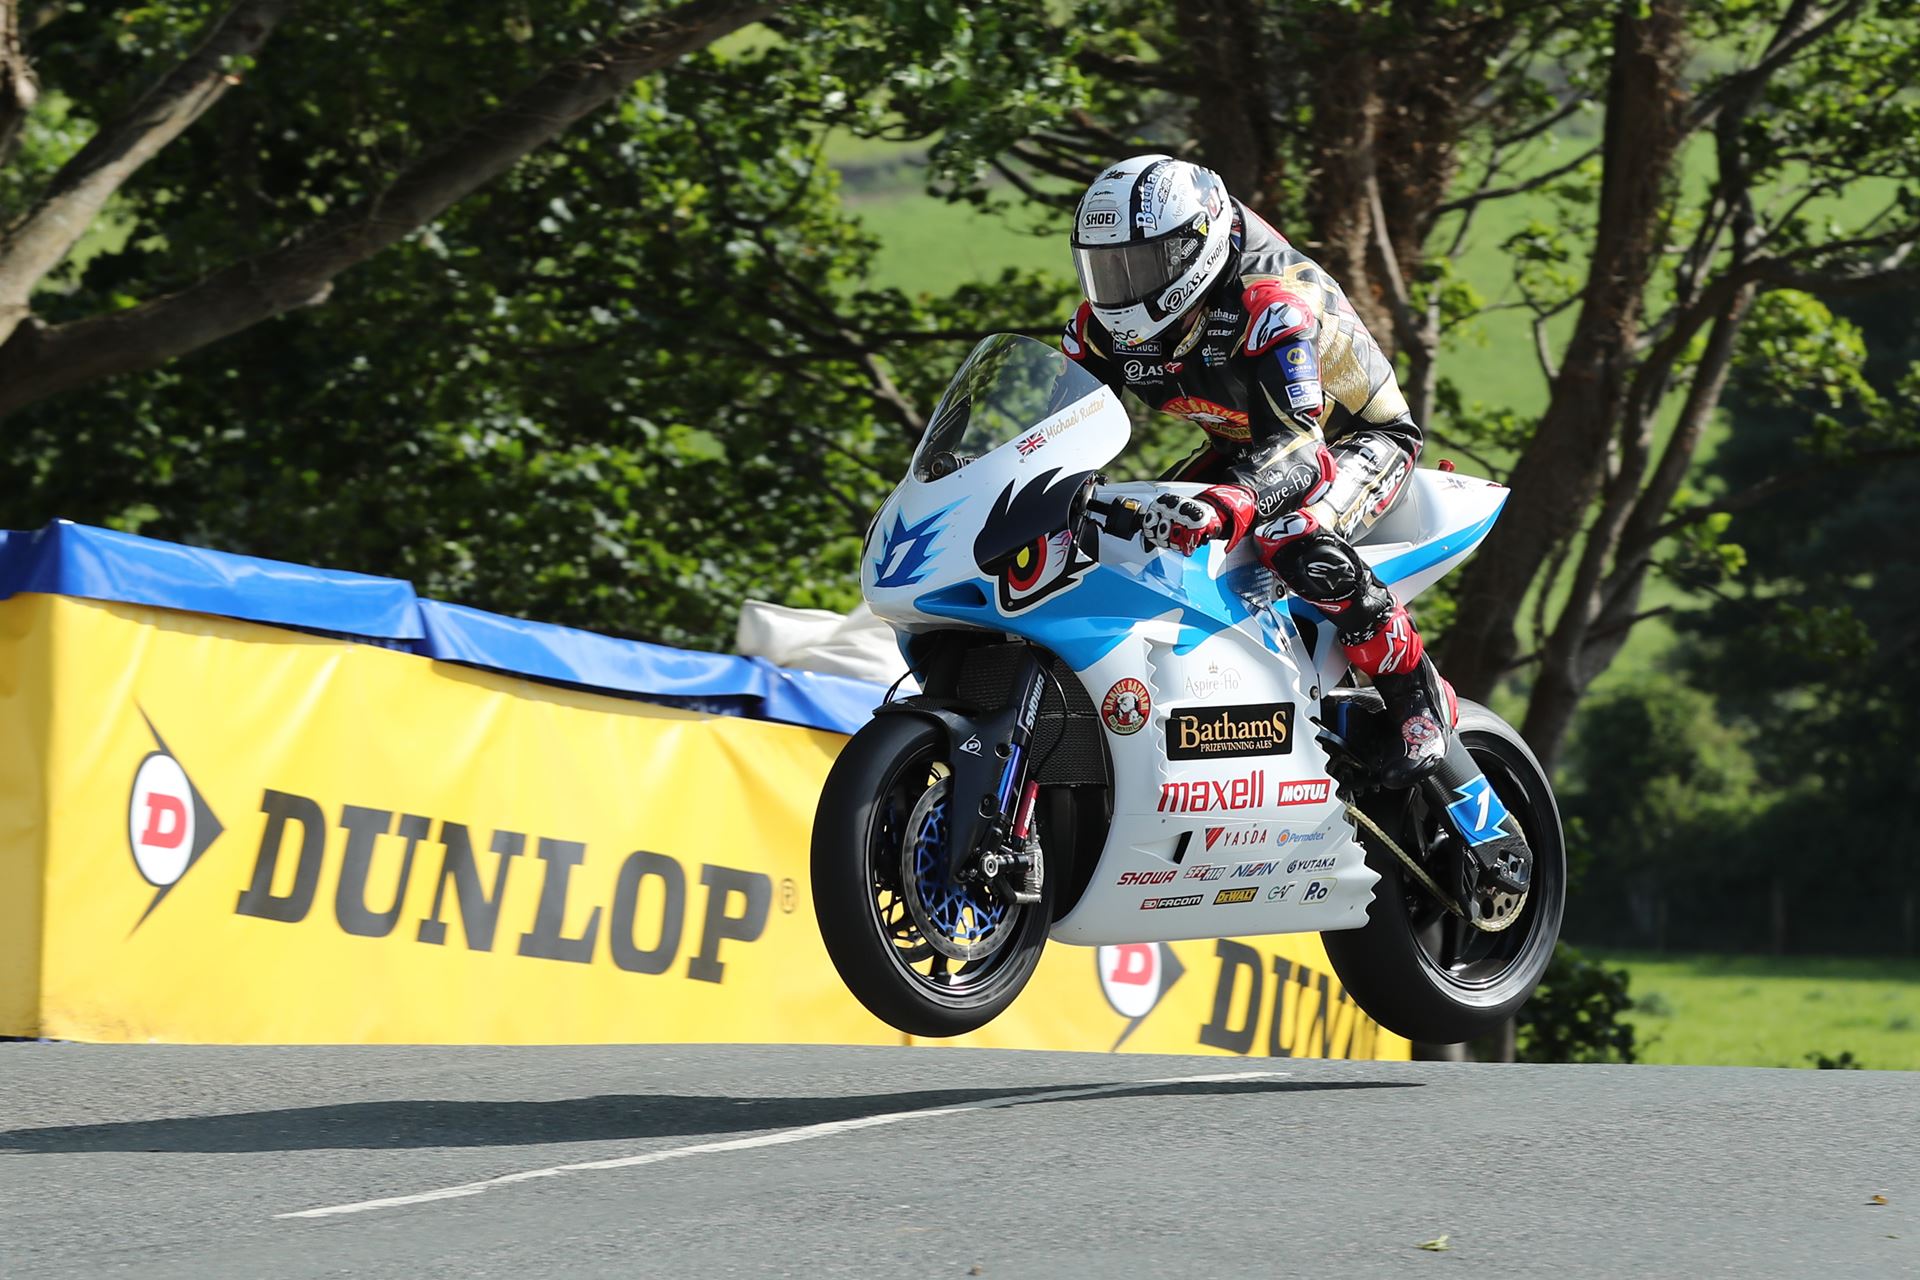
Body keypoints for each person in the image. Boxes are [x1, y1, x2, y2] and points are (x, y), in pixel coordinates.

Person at [1061, 153, 1456, 790]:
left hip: (1348, 436)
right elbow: (1061, 437)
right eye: (1106, 267)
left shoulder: (1271, 305)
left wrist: (1230, 501)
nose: (1121, 286)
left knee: (1294, 537)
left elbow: (1301, 449)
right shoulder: (1098, 331)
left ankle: (1416, 697)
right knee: (1127, 539)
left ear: (1195, 247)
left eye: (1140, 264)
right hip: (1244, 441)